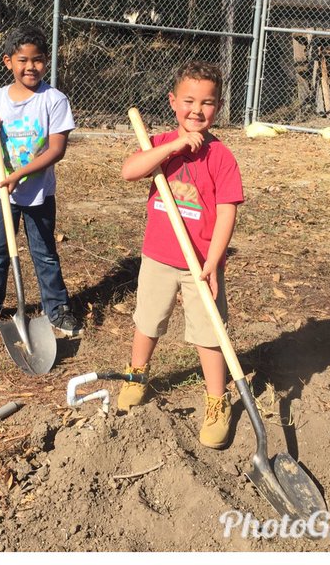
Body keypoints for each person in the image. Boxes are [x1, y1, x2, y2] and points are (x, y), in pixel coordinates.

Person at [116, 62, 245, 449]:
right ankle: (137, 375)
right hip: (157, 256)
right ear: (173, 102)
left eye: (207, 103)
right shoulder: (159, 144)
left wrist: (214, 262)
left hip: (200, 265)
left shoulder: (221, 157)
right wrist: (170, 147)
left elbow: (227, 211)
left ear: (218, 106)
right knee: (148, 320)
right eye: (188, 101)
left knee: (210, 334)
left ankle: (216, 401)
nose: (196, 110)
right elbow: (129, 171)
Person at [0, 26, 80, 334]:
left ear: (46, 61)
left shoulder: (53, 100)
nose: (30, 66)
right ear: (8, 62)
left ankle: (57, 309)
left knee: (44, 252)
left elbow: (57, 149)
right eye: (22, 60)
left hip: (38, 193)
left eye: (38, 59)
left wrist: (20, 174)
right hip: (0, 192)